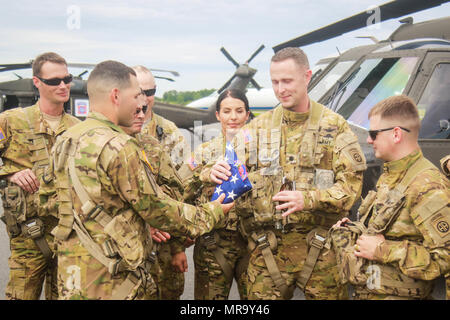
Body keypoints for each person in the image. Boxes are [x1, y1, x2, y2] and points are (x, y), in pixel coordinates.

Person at [50, 60, 233, 300]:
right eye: (137, 95)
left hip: (72, 276)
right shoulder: (120, 147)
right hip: (112, 279)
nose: (143, 102)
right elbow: (158, 210)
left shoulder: (66, 139)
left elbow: (49, 203)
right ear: (116, 95)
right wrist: (213, 212)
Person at [207, 47, 366, 300]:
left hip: (320, 251)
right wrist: (214, 171)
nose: (281, 89)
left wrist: (309, 199)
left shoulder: (334, 127)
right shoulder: (257, 128)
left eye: (288, 81)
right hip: (267, 252)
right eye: (275, 82)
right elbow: (228, 176)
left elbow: (351, 190)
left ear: (307, 77)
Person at [332, 95, 449, 300]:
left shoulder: (426, 185)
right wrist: (356, 230)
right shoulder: (393, 175)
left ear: (396, 134)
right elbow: (394, 230)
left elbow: (444, 259)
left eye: (373, 133)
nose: (369, 140)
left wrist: (383, 250)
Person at [0, 52, 80, 300]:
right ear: (37, 82)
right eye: (54, 81)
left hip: (69, 236)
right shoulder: (10, 121)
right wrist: (9, 173)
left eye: (67, 79)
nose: (63, 85)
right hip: (28, 237)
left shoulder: (79, 129)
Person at [179, 89, 251, 300]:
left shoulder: (262, 152)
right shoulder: (204, 152)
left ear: (247, 114)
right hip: (214, 244)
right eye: (227, 111)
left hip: (253, 244)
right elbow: (180, 188)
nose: (233, 117)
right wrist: (204, 174)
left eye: (239, 111)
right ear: (218, 115)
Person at [132, 65, 188, 300]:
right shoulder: (113, 132)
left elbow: (183, 192)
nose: (146, 98)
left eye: (151, 90)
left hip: (166, 241)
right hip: (130, 241)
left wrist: (178, 248)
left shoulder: (170, 133)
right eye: (140, 91)